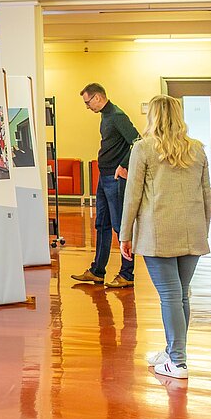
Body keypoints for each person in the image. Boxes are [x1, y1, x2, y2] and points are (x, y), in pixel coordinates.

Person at [119, 94, 211, 380]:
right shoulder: (197, 149)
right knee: (180, 295)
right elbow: (206, 194)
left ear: (153, 117)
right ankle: (174, 352)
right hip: (192, 231)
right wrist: (202, 229)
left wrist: (125, 234)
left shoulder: (143, 148)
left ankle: (178, 361)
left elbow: (132, 195)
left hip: (157, 233)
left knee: (171, 296)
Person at [71, 83, 140, 288]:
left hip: (115, 178)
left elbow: (137, 141)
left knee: (120, 226)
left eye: (87, 102)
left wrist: (123, 165)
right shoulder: (105, 115)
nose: (87, 107)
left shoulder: (117, 116)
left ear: (98, 98)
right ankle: (97, 271)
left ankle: (127, 275)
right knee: (102, 224)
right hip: (104, 177)